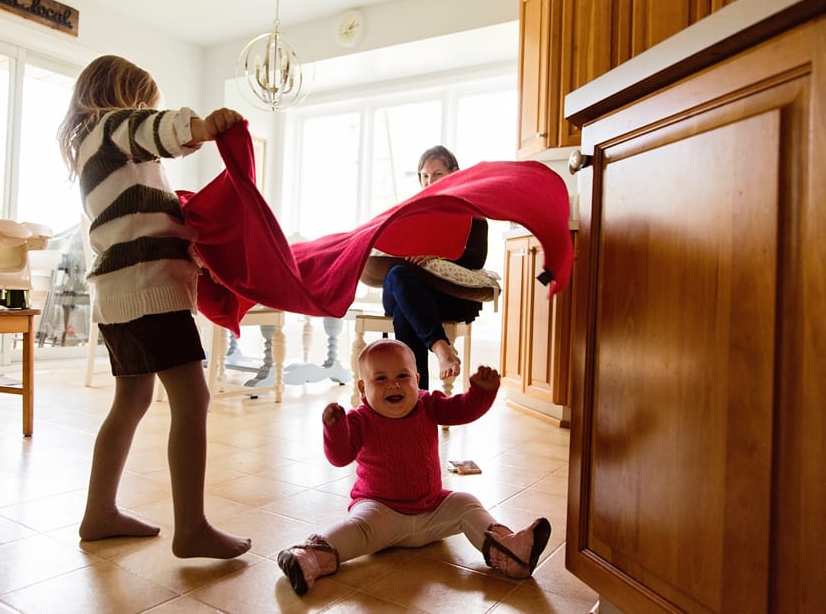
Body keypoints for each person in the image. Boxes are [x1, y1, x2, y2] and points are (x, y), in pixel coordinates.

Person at [57, 54, 251, 559]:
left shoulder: (94, 148)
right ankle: (192, 528)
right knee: (193, 400)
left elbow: (148, 216)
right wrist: (202, 127)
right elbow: (153, 128)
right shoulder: (111, 126)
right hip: (147, 289)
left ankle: (99, 512)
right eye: (145, 104)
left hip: (120, 295)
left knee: (131, 401)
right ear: (126, 98)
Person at [276, 338, 551, 595]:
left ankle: (510, 551)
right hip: (380, 512)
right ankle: (310, 558)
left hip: (432, 508)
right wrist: (334, 429)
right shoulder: (359, 419)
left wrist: (482, 393)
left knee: (467, 503)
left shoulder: (428, 404)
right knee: (354, 529)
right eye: (380, 378)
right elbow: (339, 457)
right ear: (362, 389)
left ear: (417, 380)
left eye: (402, 376)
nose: (393, 385)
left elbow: (462, 410)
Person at [382, 145, 489, 389]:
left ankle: (417, 397)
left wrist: (438, 256)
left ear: (455, 172)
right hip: (401, 286)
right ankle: (441, 347)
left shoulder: (471, 211)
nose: (429, 182)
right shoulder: (412, 210)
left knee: (405, 314)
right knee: (399, 275)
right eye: (424, 176)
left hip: (444, 296)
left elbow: (477, 258)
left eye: (437, 175)